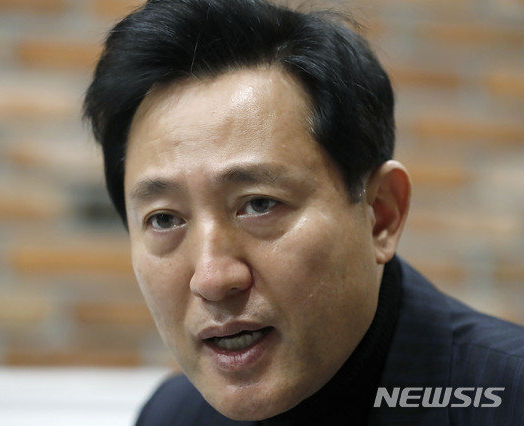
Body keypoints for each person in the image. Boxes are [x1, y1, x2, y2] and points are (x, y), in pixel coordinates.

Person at [83, 0, 524, 424]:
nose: (213, 279)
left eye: (259, 204)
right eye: (164, 219)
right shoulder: (173, 415)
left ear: (382, 214)